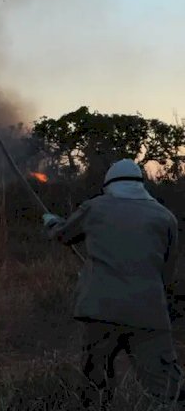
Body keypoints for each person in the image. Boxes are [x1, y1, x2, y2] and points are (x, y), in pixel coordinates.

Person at [43, 159, 182, 408]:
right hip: (148, 314)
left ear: (109, 184)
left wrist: (51, 222)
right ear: (141, 184)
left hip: (100, 311)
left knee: (95, 384)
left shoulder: (94, 208)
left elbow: (63, 235)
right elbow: (167, 272)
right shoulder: (165, 217)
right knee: (168, 386)